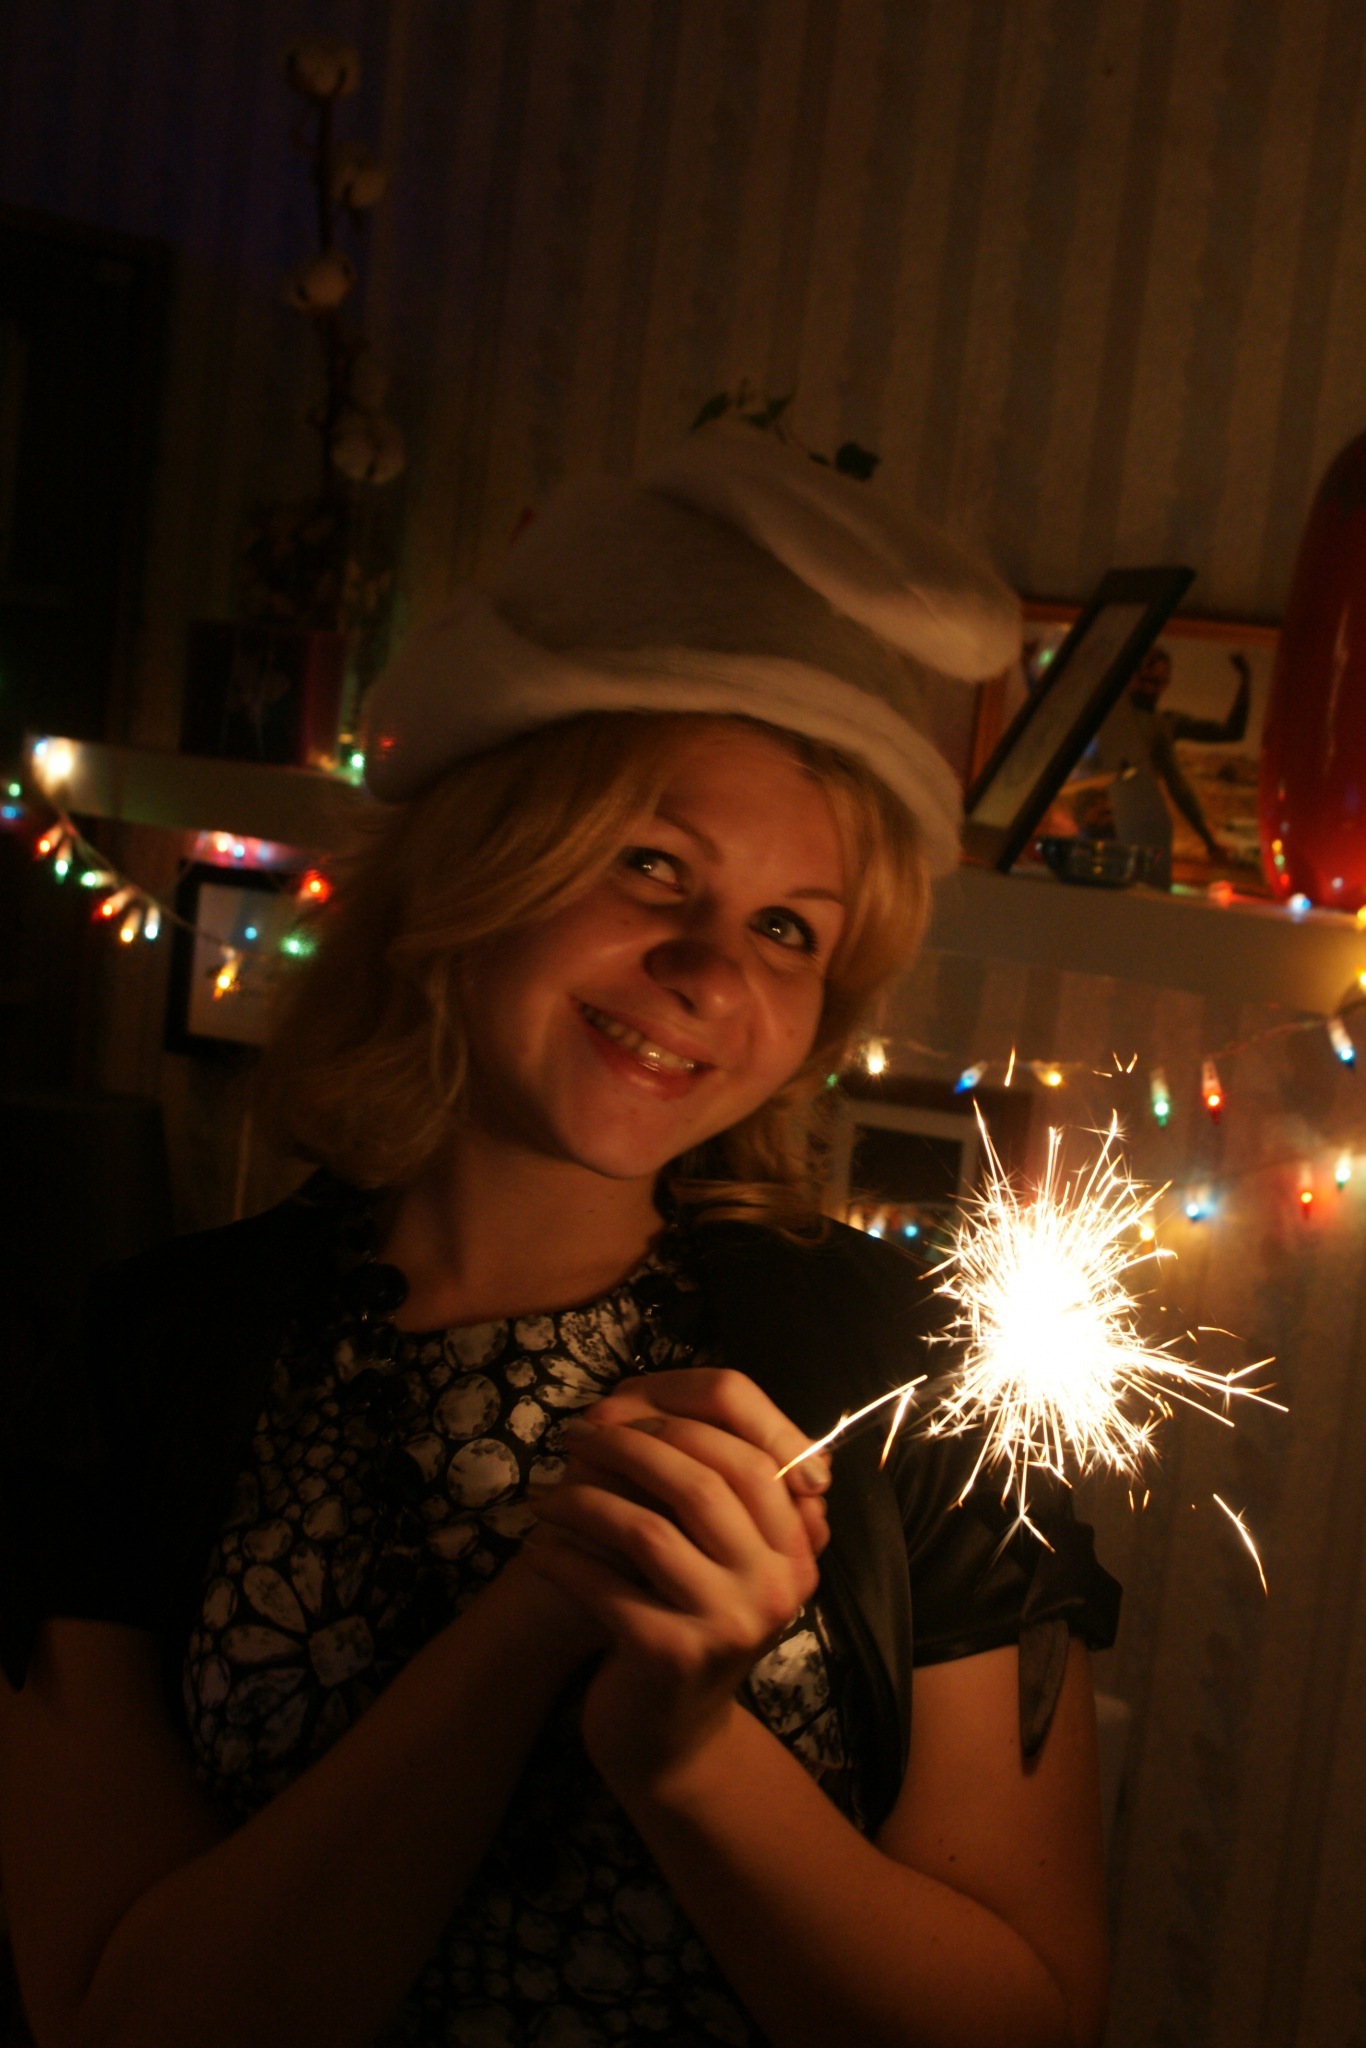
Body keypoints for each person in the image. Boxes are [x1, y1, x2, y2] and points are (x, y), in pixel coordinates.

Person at [0, 426, 1119, 2048]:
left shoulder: (910, 1377)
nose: (711, 971)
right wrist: (538, 1619)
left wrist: (686, 1751)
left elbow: (1023, 2027)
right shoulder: (143, 1363)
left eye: (788, 929)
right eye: (651, 866)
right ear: (475, 856)